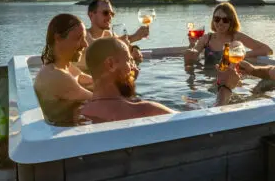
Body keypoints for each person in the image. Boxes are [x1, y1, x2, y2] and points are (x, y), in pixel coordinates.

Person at [80, 37, 240, 123]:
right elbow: (205, 124)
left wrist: (126, 81)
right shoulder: (147, 111)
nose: (133, 67)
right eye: (129, 60)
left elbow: (113, 104)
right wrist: (225, 89)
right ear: (111, 64)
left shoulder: (83, 112)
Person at [33, 14, 93, 126]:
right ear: (58, 38)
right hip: (61, 136)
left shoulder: (65, 67)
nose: (85, 44)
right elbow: (101, 100)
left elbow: (92, 81)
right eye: (79, 38)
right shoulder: (56, 76)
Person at [184, 2, 272, 68]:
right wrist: (192, 44)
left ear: (231, 21)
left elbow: (268, 50)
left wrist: (242, 55)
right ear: (213, 20)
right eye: (217, 19)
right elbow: (190, 61)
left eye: (225, 20)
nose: (220, 23)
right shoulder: (206, 39)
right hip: (208, 79)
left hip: (229, 80)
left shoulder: (236, 37)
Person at [81, 0, 148, 66]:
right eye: (106, 13)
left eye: (112, 14)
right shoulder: (83, 35)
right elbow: (98, 47)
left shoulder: (108, 34)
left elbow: (122, 41)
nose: (110, 17)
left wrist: (135, 48)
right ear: (91, 15)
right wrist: (135, 37)